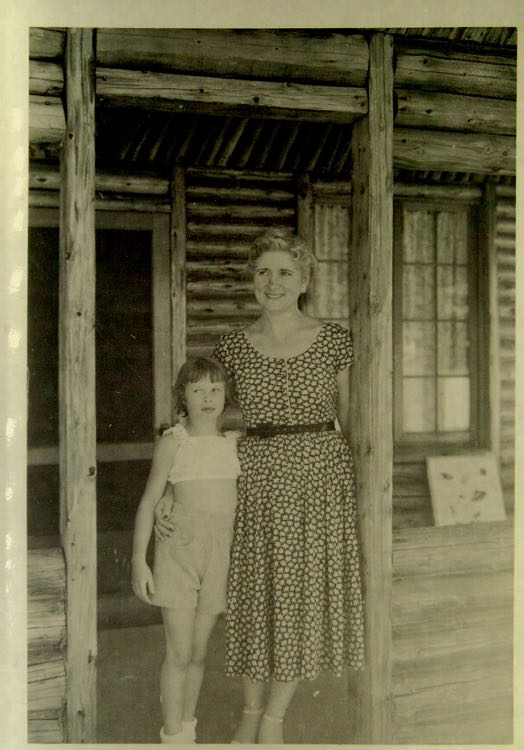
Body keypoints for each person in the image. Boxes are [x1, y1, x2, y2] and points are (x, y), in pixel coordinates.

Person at [156, 227, 365, 744]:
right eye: (263, 272)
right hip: (251, 478)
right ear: (252, 279)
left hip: (319, 478)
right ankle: (249, 712)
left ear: (305, 280)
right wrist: (169, 486)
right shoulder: (231, 346)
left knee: (299, 598)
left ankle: (272, 719)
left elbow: (356, 421)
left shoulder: (335, 340)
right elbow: (201, 421)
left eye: (285, 273)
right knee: (254, 597)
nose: (272, 283)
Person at [132, 356, 241, 744]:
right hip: (179, 548)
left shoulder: (236, 443)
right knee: (177, 652)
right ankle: (172, 736)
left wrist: (172, 492)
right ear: (184, 396)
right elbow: (148, 501)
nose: (208, 398)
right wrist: (138, 563)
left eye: (215, 389)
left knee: (197, 652)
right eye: (197, 390)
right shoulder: (172, 441)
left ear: (226, 395)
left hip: (222, 551)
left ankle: (187, 730)